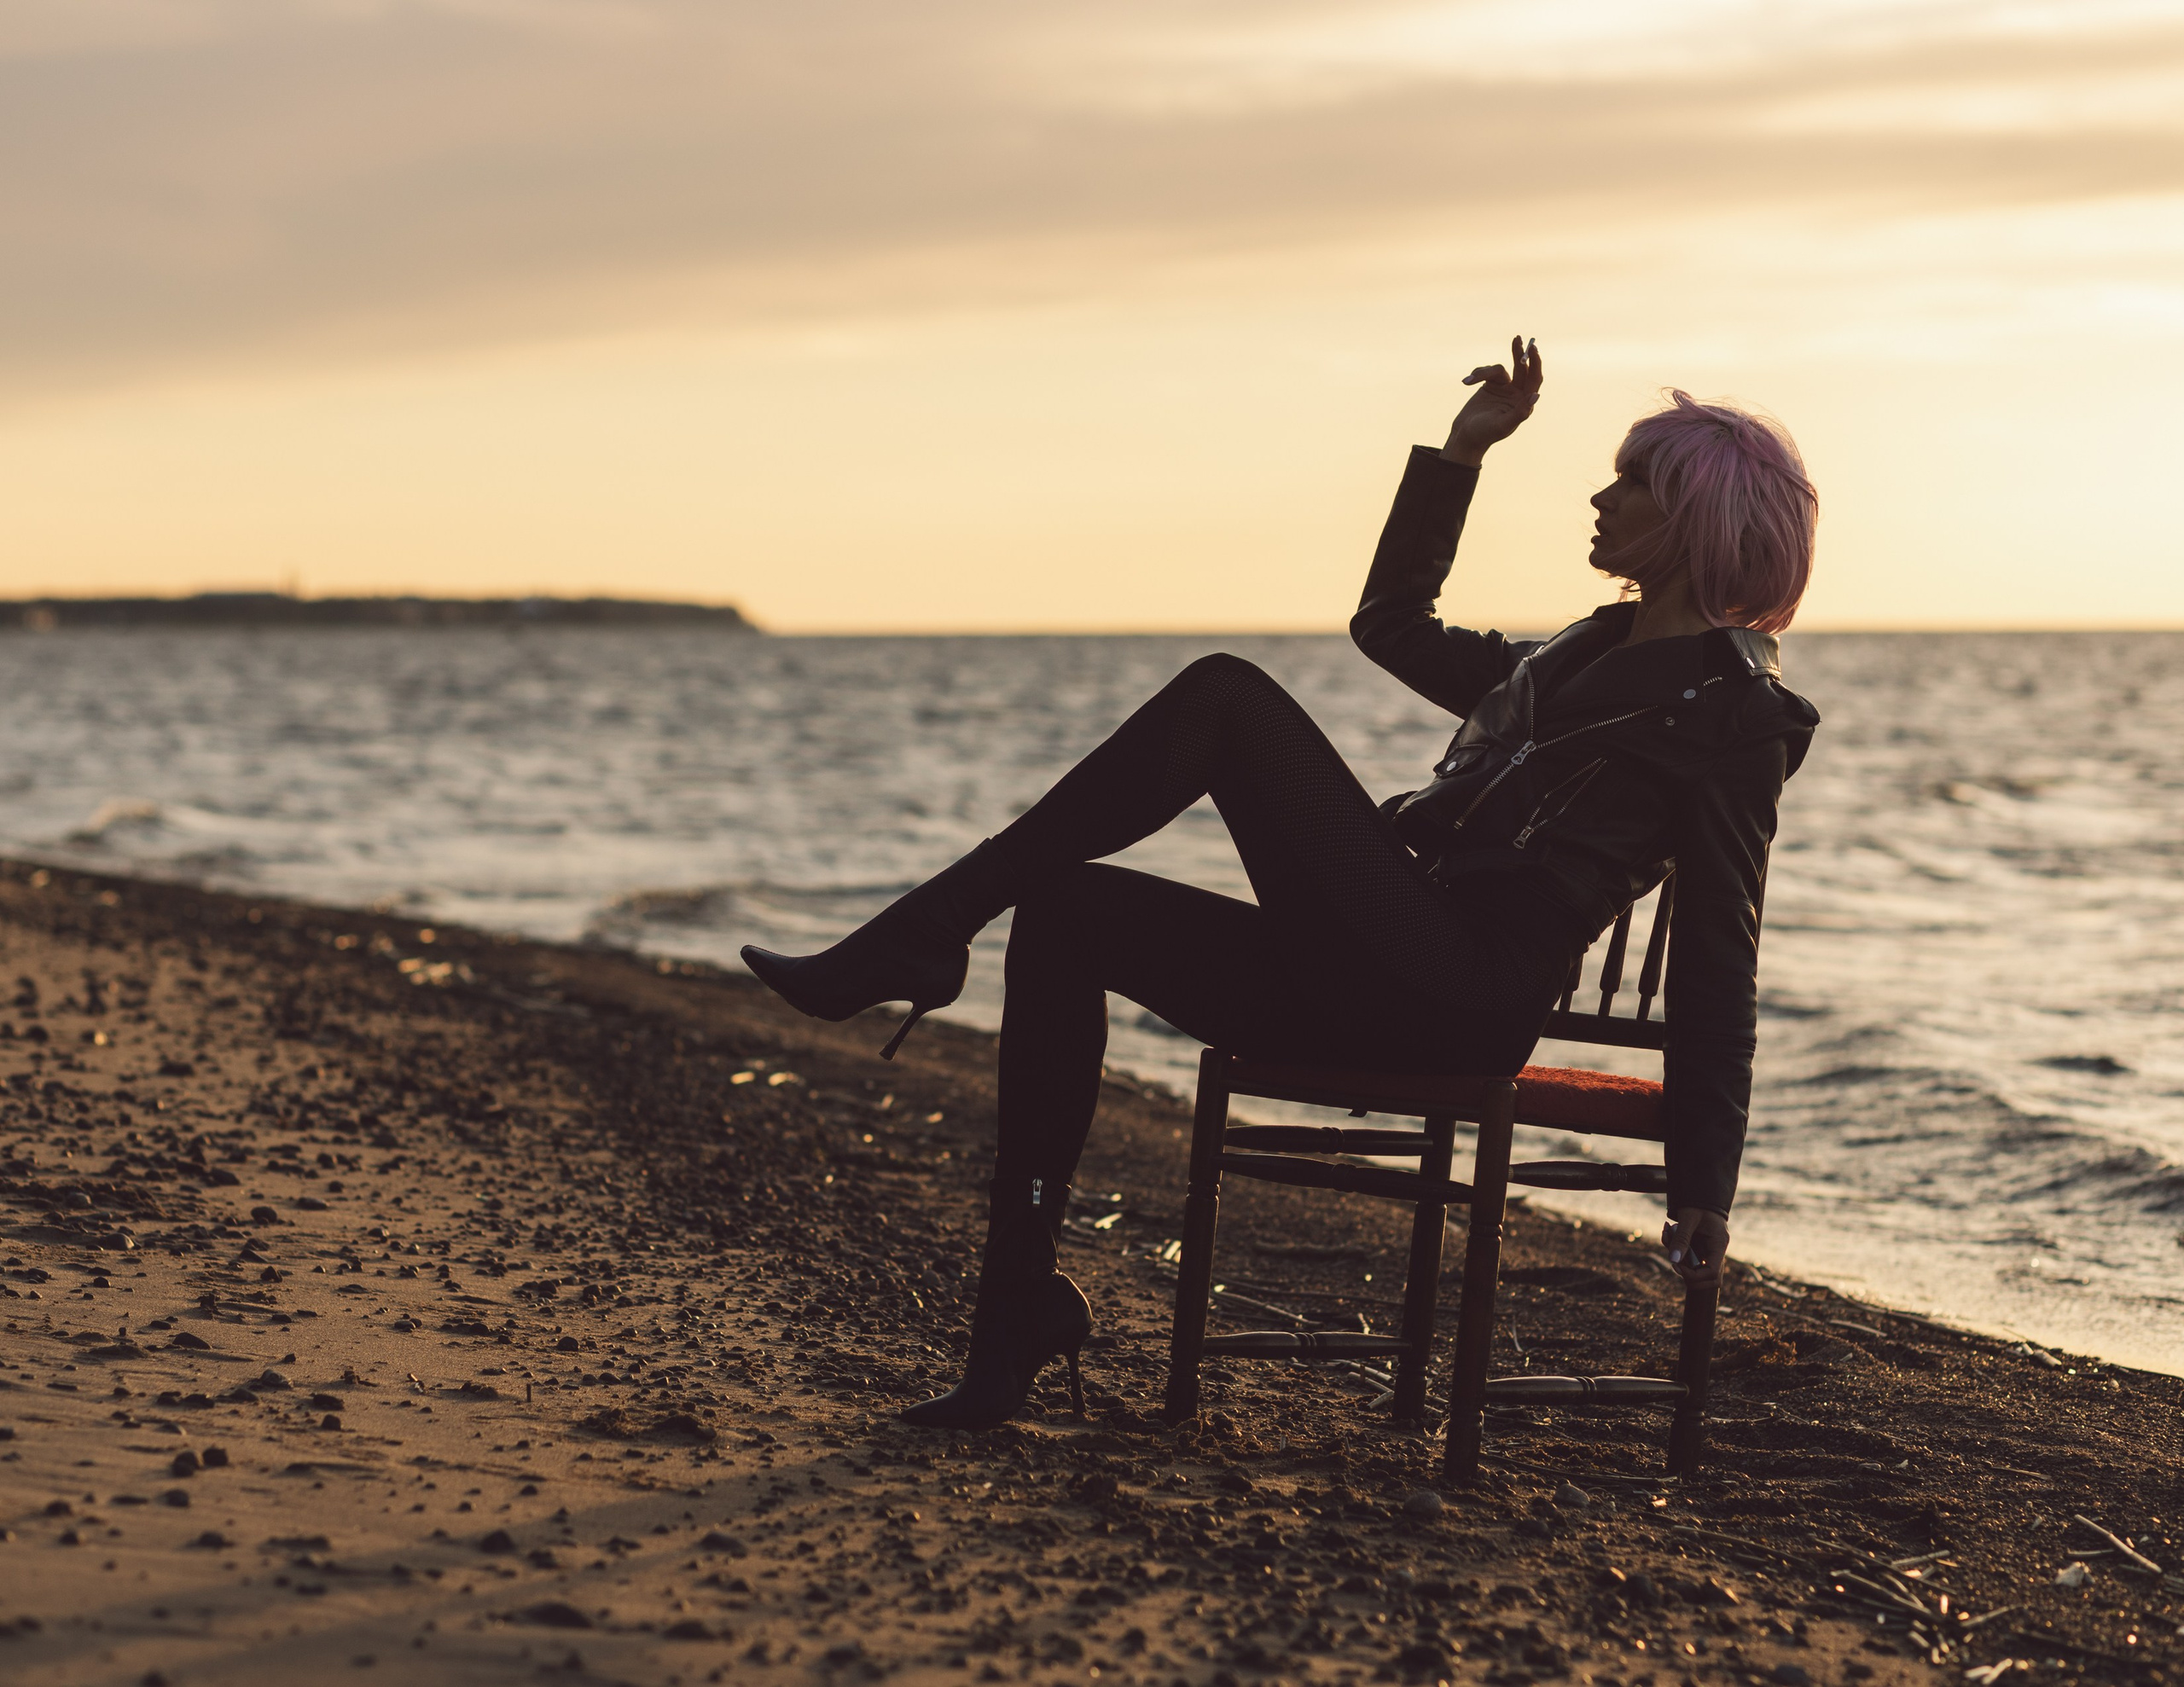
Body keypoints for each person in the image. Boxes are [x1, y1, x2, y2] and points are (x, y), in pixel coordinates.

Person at [743, 338, 1821, 1429]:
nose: (1600, 496)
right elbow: (1388, 625)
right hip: (1363, 970)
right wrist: (1461, 453)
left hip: (1460, 998)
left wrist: (1704, 1184)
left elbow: (1719, 960)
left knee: (1226, 696)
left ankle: (919, 935)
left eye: (1632, 482)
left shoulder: (1736, 723)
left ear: (1695, 521)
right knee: (1066, 909)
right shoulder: (1558, 661)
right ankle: (1012, 1314)